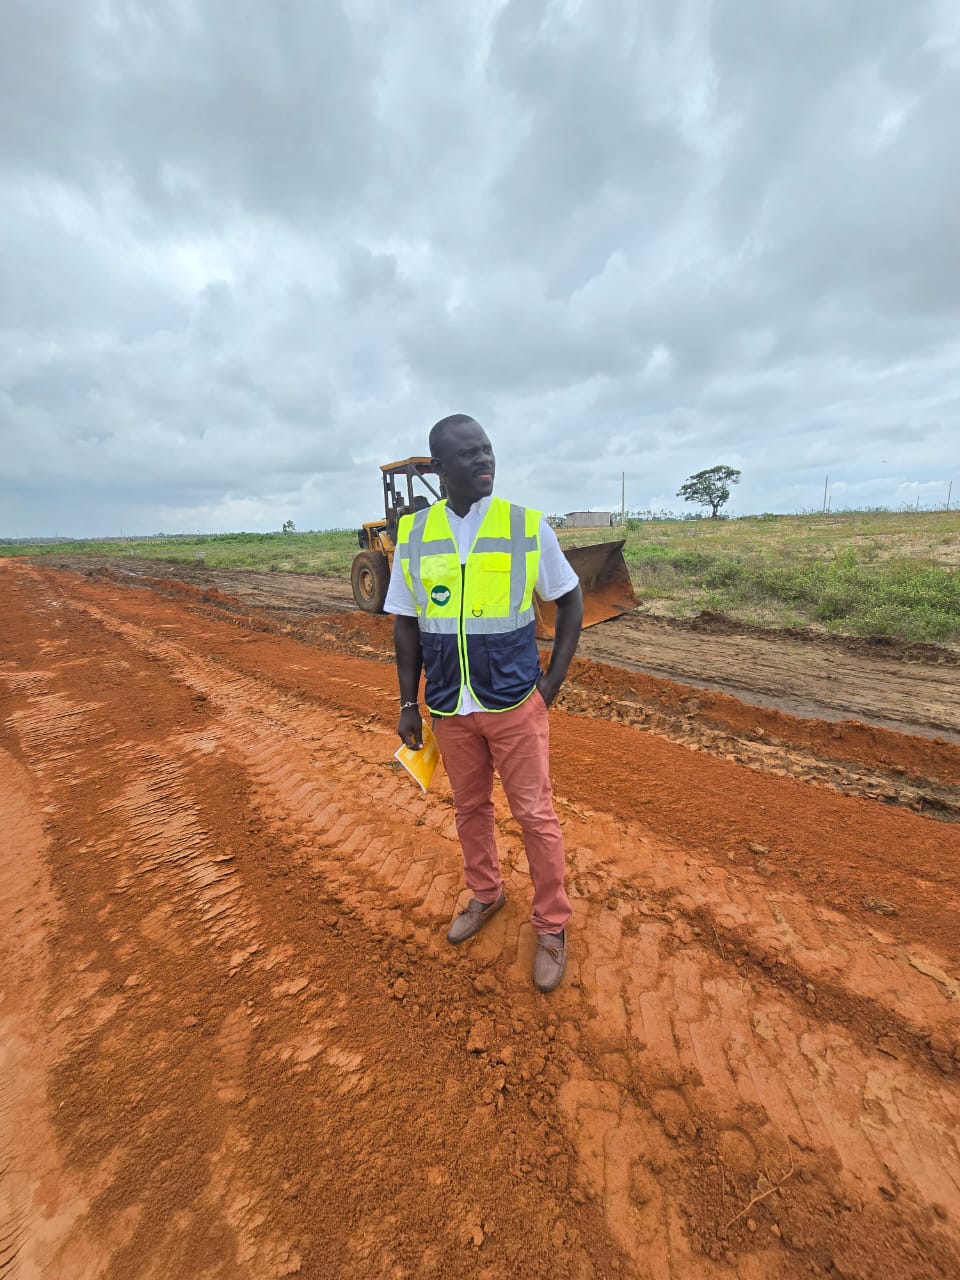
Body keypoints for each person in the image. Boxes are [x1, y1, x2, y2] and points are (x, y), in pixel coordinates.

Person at [385, 414, 583, 993]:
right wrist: (407, 703)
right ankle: (486, 894)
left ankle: (551, 925)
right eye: (468, 454)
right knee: (470, 810)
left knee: (535, 815)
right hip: (449, 706)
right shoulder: (415, 535)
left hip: (514, 702)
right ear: (439, 468)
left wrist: (550, 686)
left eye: (487, 450)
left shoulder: (526, 526)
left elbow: (570, 603)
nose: (483, 461)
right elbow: (406, 625)